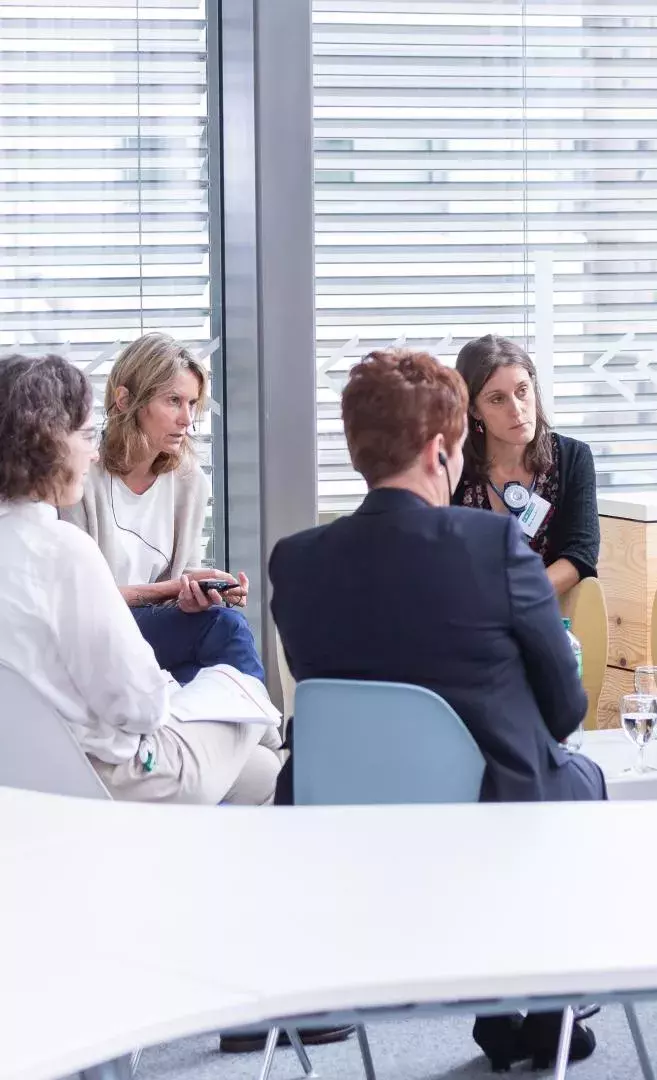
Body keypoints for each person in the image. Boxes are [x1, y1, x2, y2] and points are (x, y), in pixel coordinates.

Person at [269, 348, 603, 1072]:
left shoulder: (294, 562)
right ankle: (547, 1003)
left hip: (340, 837)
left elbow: (348, 700)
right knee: (582, 780)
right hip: (483, 835)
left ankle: (503, 1006)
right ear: (440, 451)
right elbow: (566, 707)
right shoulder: (490, 543)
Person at [0, 352, 281, 805]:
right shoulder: (65, 551)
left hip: (31, 770)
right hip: (121, 774)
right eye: (85, 435)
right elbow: (141, 707)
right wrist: (179, 695)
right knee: (243, 693)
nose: (92, 450)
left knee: (262, 772)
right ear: (45, 444)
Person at [59, 332, 263, 685]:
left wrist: (200, 592)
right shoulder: (81, 477)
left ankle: (250, 733)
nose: (187, 418)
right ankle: (273, 736)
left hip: (150, 629)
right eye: (173, 401)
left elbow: (180, 576)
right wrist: (169, 590)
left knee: (204, 670)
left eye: (192, 403)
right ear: (124, 400)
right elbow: (80, 597)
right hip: (94, 631)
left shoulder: (188, 481)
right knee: (225, 629)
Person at [451, 334, 599, 596]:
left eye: (522, 391)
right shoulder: (453, 467)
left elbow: (581, 554)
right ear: (474, 410)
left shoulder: (572, 457)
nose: (517, 409)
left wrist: (514, 596)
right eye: (497, 399)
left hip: (542, 611)